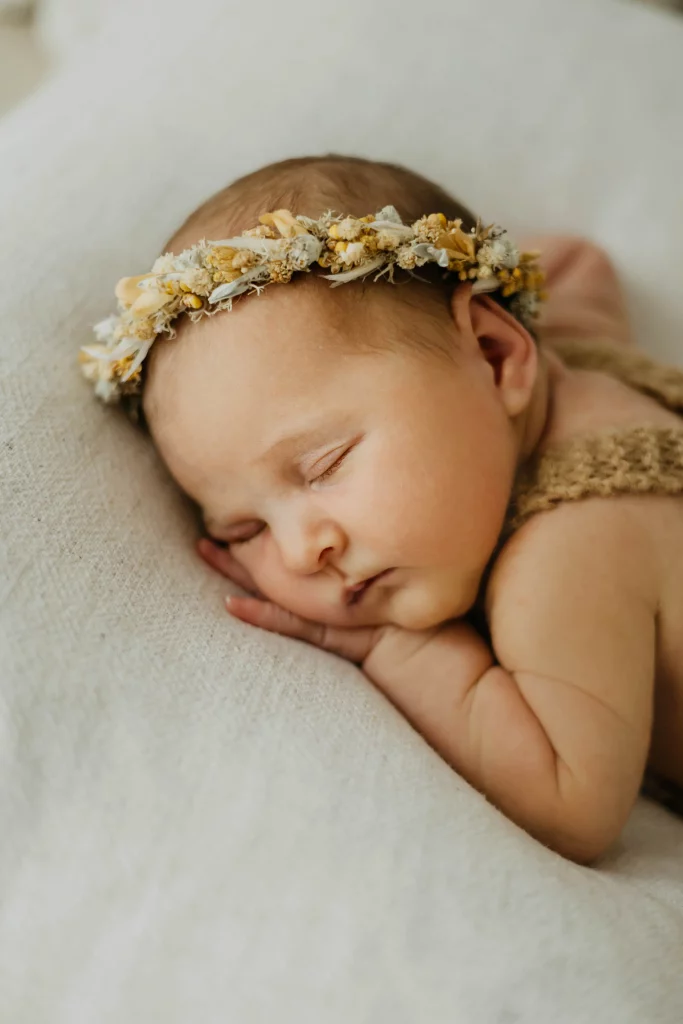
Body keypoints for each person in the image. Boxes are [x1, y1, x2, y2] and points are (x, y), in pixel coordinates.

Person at [80, 154, 683, 863]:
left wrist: (403, 648)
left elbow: (570, 800)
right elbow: (574, 261)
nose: (304, 550)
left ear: (495, 354)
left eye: (322, 466)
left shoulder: (572, 548)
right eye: (245, 530)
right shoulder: (570, 353)